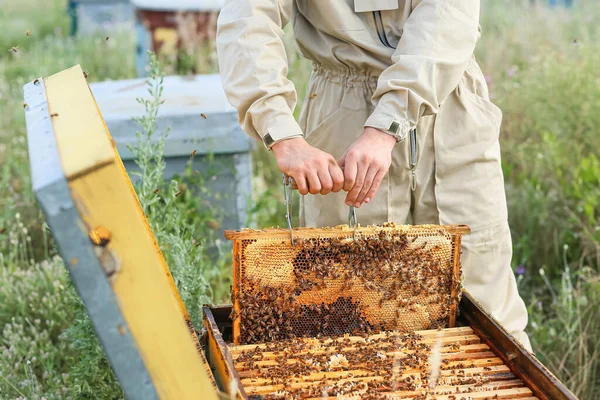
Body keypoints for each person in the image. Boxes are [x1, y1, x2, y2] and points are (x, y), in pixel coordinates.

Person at [216, 0, 532, 352]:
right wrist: (281, 133)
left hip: (449, 101)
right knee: (343, 303)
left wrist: (387, 124)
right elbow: (247, 19)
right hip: (343, 106)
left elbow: (448, 16)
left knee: (484, 297)